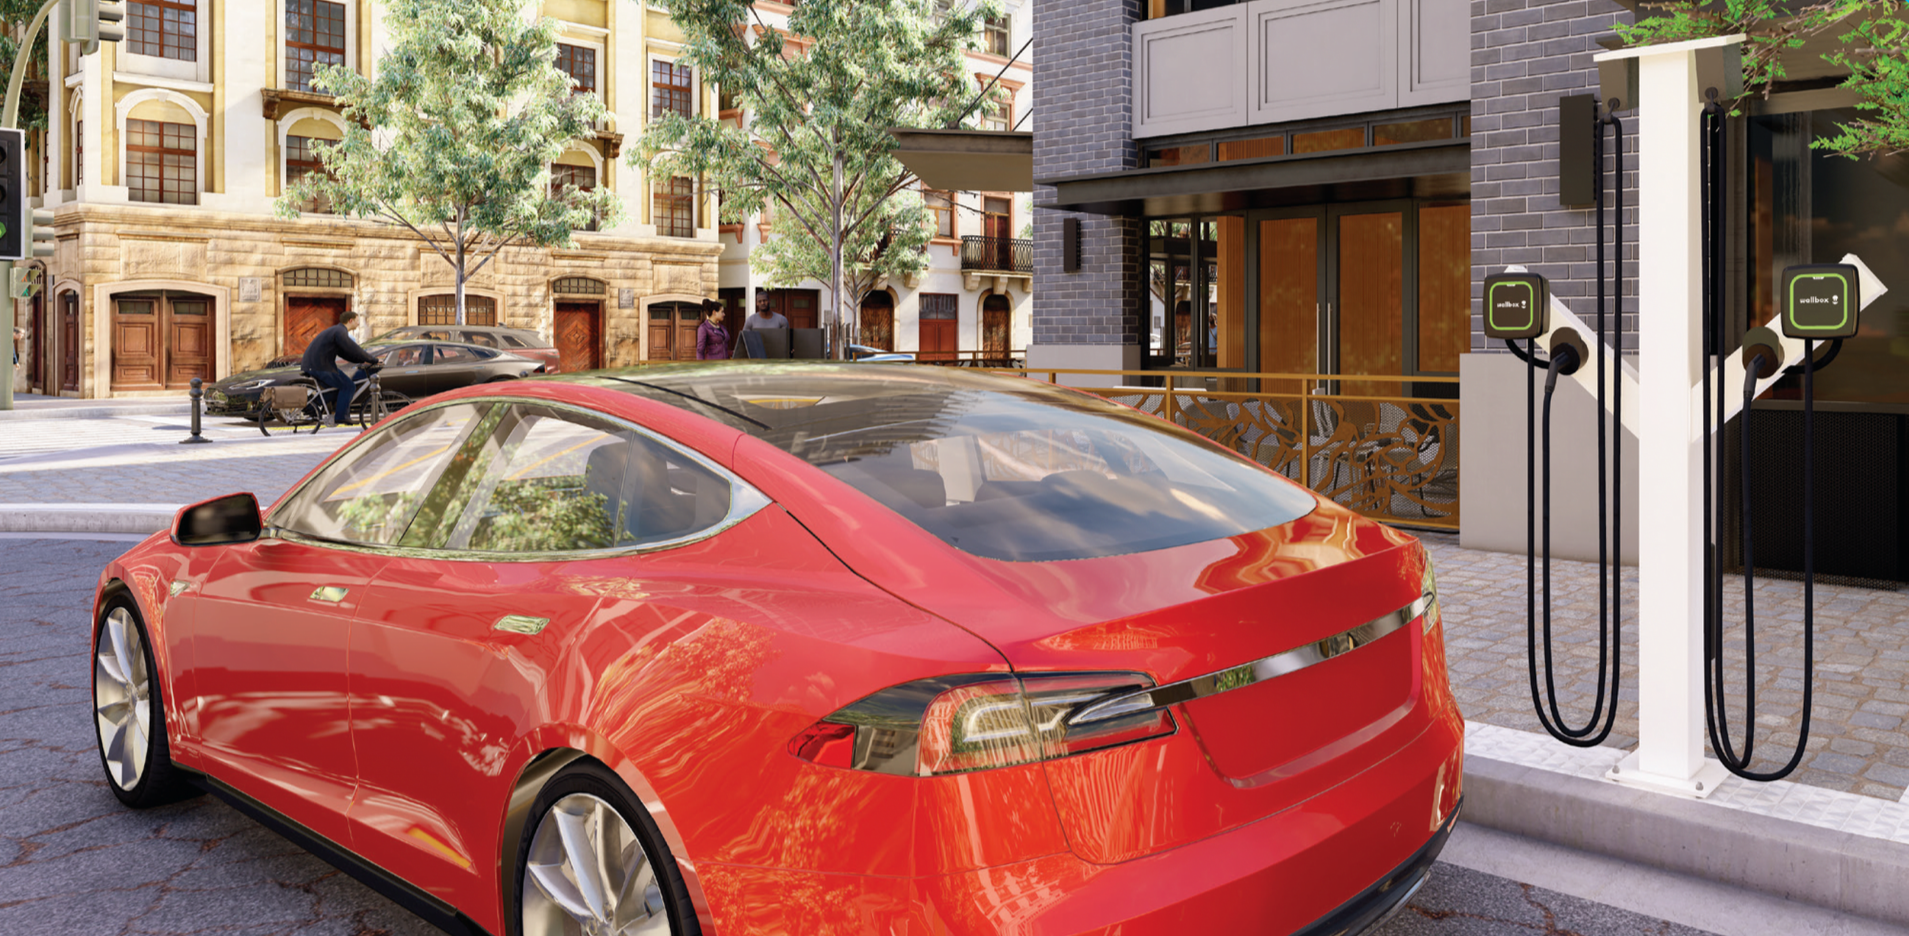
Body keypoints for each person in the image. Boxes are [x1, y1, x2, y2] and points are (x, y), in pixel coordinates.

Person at [300, 310, 379, 426]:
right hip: (321, 366)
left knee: (336, 389)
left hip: (315, 365)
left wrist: (362, 360)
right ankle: (341, 416)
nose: (358, 324)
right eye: (357, 321)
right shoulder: (341, 331)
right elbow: (353, 348)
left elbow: (345, 353)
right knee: (349, 386)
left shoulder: (336, 331)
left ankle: (311, 407)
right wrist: (373, 360)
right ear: (350, 320)